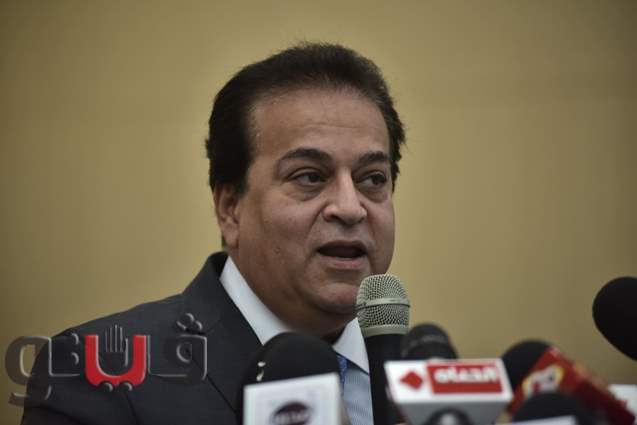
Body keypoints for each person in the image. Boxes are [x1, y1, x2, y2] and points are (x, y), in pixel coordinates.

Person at [21, 42, 406, 425]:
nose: (350, 207)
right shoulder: (98, 375)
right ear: (230, 209)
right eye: (309, 177)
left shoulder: (421, 383)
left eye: (372, 179)